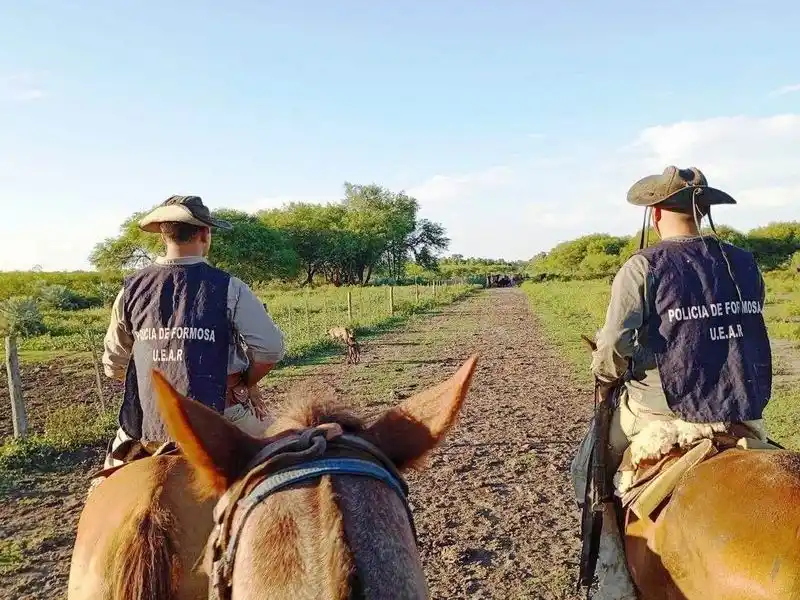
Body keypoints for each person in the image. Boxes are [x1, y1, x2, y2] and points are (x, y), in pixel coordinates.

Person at [571, 166, 772, 599]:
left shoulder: (642, 266)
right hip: (738, 403)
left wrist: (605, 373)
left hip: (661, 408)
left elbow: (613, 346)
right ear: (702, 210)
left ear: (656, 212)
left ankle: (611, 577)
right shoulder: (743, 261)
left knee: (589, 468)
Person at [98, 195, 286, 476]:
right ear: (204, 233)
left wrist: (158, 381)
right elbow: (270, 349)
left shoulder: (130, 290)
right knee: (286, 468)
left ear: (164, 235)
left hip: (147, 422)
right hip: (222, 413)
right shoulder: (229, 287)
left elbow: (113, 365)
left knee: (103, 488)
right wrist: (244, 383)